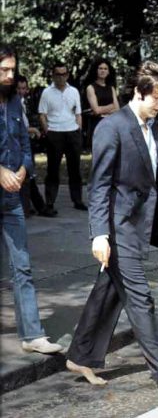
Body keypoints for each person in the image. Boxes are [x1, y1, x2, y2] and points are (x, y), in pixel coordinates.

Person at [65, 60, 158, 399]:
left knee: (110, 290)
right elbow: (99, 185)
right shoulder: (112, 127)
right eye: (157, 97)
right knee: (140, 299)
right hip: (117, 226)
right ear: (139, 93)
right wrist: (99, 234)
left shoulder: (149, 125)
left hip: (138, 226)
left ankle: (80, 355)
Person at [0, 44, 63, 354]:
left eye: (13, 70)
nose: (11, 76)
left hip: (11, 198)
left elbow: (25, 143)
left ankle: (32, 335)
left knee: (22, 265)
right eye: (4, 70)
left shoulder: (15, 103)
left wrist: (24, 169)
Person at [38, 62, 87, 214]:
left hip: (72, 132)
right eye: (57, 74)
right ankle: (50, 202)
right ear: (53, 75)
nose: (61, 77)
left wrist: (78, 128)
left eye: (63, 74)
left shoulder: (74, 91)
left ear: (67, 75)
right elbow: (42, 114)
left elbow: (78, 113)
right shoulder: (47, 92)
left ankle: (78, 200)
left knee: (75, 169)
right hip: (55, 133)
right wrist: (48, 131)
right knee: (53, 170)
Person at [16, 75, 54, 217]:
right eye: (18, 88)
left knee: (29, 176)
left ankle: (36, 206)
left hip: (25, 143)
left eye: (24, 88)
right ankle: (35, 207)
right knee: (26, 176)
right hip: (18, 144)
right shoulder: (13, 104)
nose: (21, 91)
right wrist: (33, 130)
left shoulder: (23, 103)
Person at [83, 58, 120, 149]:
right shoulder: (91, 88)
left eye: (105, 69)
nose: (103, 71)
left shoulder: (111, 88)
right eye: (100, 68)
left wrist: (103, 110)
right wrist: (111, 106)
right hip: (98, 125)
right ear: (96, 70)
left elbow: (118, 109)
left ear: (109, 72)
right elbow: (96, 110)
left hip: (112, 124)